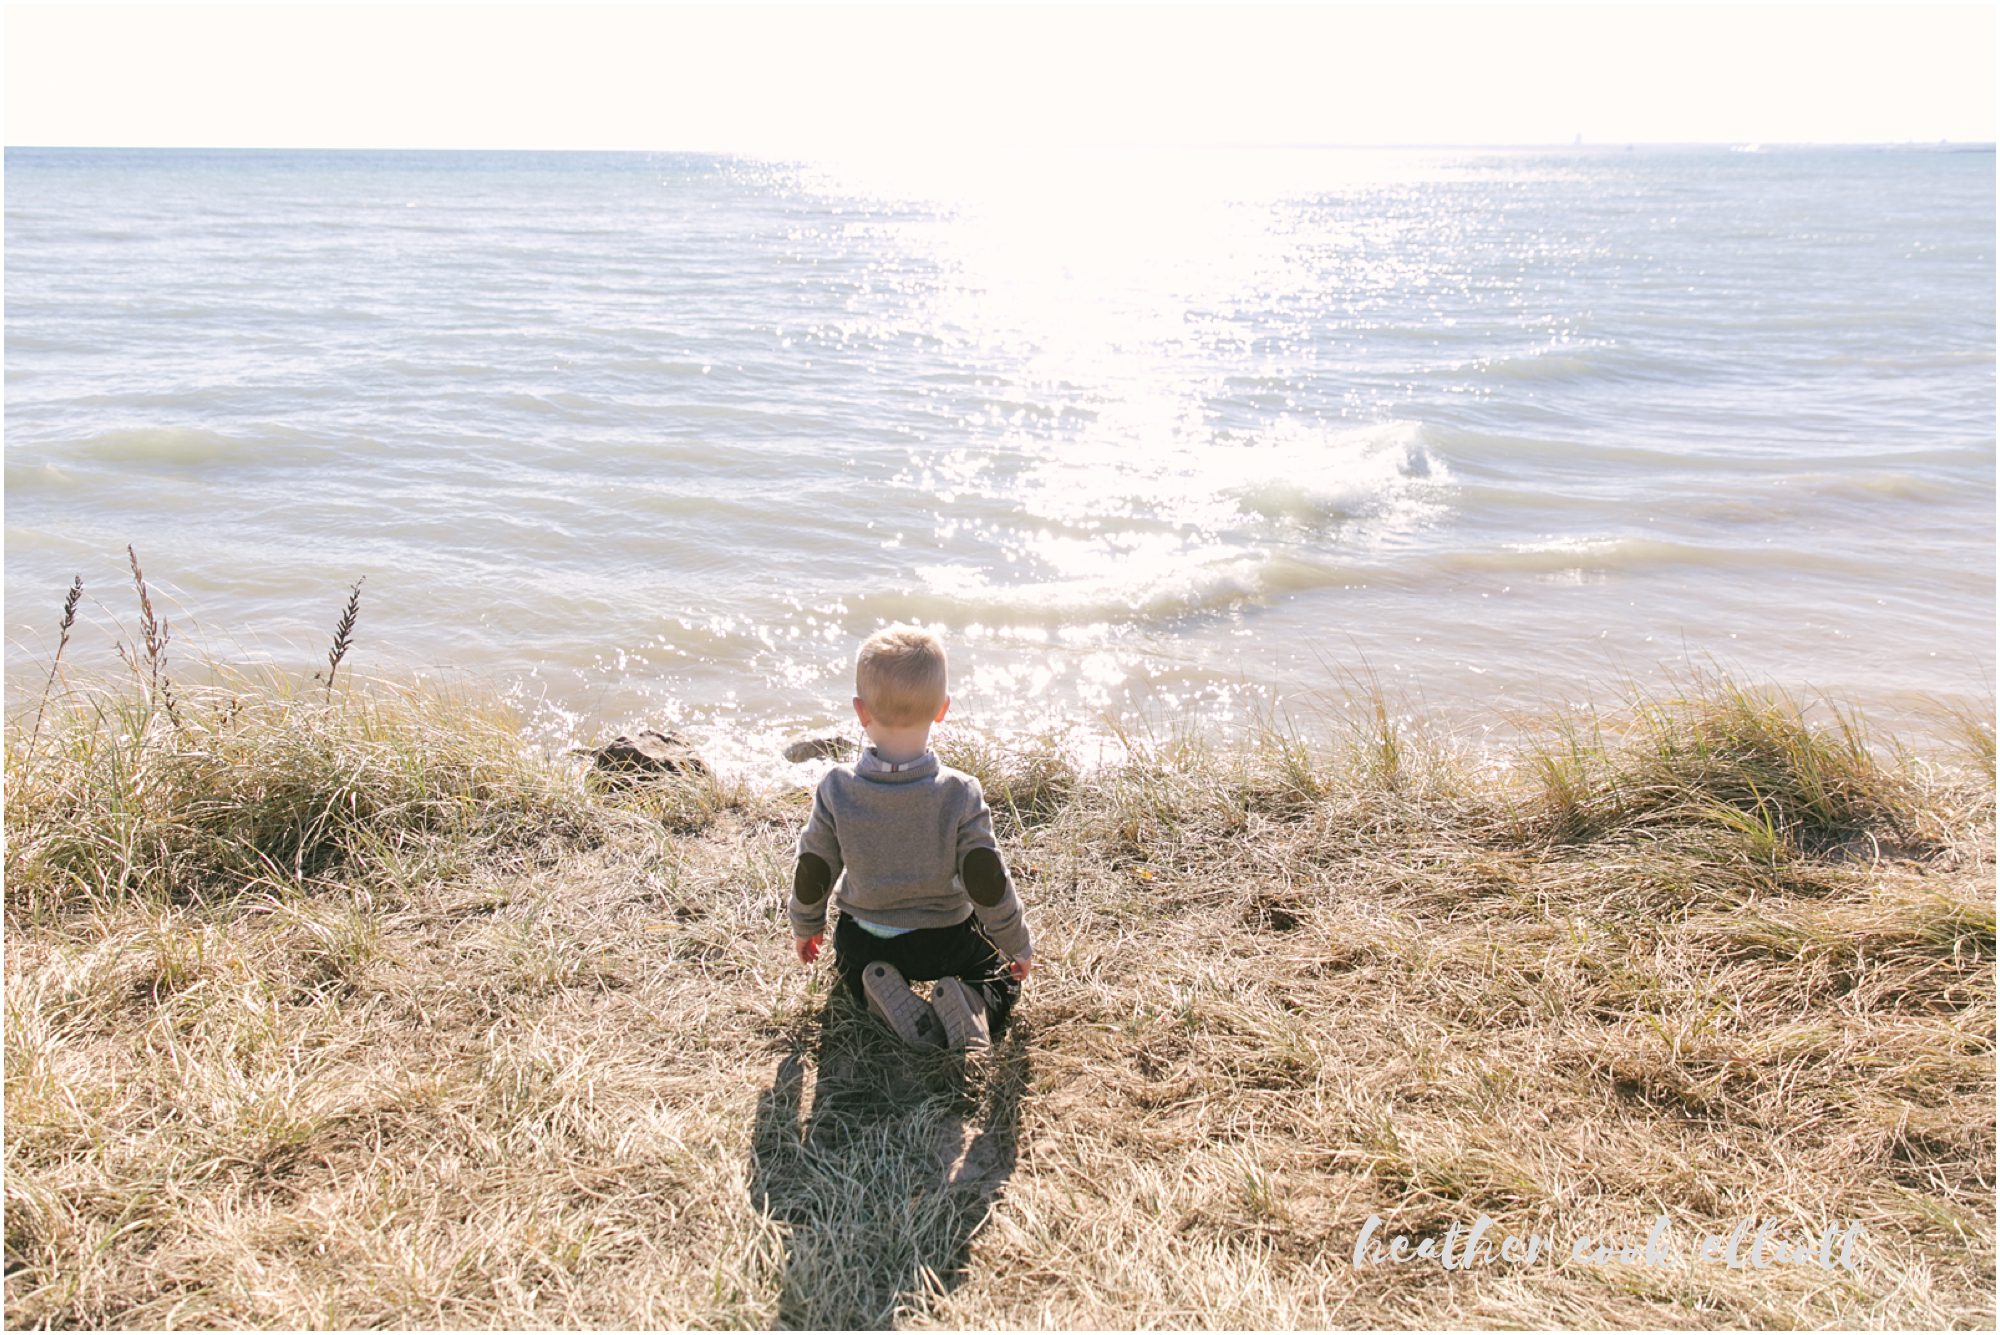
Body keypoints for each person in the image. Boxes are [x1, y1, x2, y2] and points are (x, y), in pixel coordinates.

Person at [789, 625, 1032, 1050]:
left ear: (861, 711)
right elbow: (986, 880)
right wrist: (1016, 942)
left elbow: (815, 867)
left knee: (859, 970)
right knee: (996, 975)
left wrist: (805, 925)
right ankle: (971, 1001)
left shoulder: (837, 788)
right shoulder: (959, 792)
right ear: (942, 709)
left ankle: (876, 992)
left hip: (862, 942)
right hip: (945, 941)